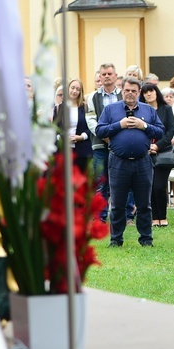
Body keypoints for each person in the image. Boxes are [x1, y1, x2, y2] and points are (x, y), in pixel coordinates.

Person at [95, 77, 164, 247]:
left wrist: (144, 126)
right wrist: (120, 124)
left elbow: (161, 131)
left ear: (139, 92)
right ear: (122, 90)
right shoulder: (111, 110)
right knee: (117, 203)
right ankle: (116, 239)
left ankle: (146, 239)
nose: (130, 94)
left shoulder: (148, 110)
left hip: (143, 162)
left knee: (144, 204)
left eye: (133, 91)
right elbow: (99, 130)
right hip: (118, 162)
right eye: (127, 90)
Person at [86, 63, 122, 222]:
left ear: (115, 76)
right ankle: (100, 217)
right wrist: (105, 136)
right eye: (104, 74)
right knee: (100, 182)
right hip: (100, 145)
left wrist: (118, 138)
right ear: (99, 77)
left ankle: (124, 216)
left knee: (121, 181)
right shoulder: (93, 97)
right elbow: (91, 120)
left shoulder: (123, 94)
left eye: (109, 73)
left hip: (122, 145)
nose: (107, 76)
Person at [140, 83, 174, 228]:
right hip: (145, 152)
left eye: (151, 91)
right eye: (145, 92)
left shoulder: (166, 109)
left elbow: (170, 131)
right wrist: (147, 146)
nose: (148, 94)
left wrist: (157, 145)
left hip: (163, 152)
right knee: (150, 186)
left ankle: (163, 216)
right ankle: (155, 217)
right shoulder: (140, 110)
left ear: (156, 93)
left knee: (160, 186)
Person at [52, 78, 92, 172]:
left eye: (78, 89)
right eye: (72, 88)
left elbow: (91, 128)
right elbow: (54, 129)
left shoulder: (86, 107)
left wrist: (81, 137)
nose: (74, 91)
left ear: (80, 92)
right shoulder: (58, 108)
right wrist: (61, 138)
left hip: (81, 151)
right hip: (64, 150)